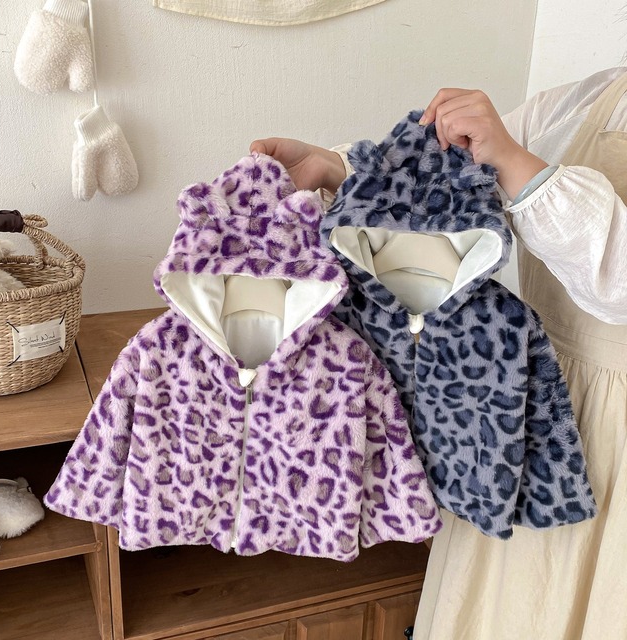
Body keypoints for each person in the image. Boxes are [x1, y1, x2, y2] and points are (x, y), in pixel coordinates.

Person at [251, 65, 627, 639]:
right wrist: (337, 168)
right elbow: (449, 180)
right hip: (524, 404)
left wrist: (514, 161)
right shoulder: (585, 99)